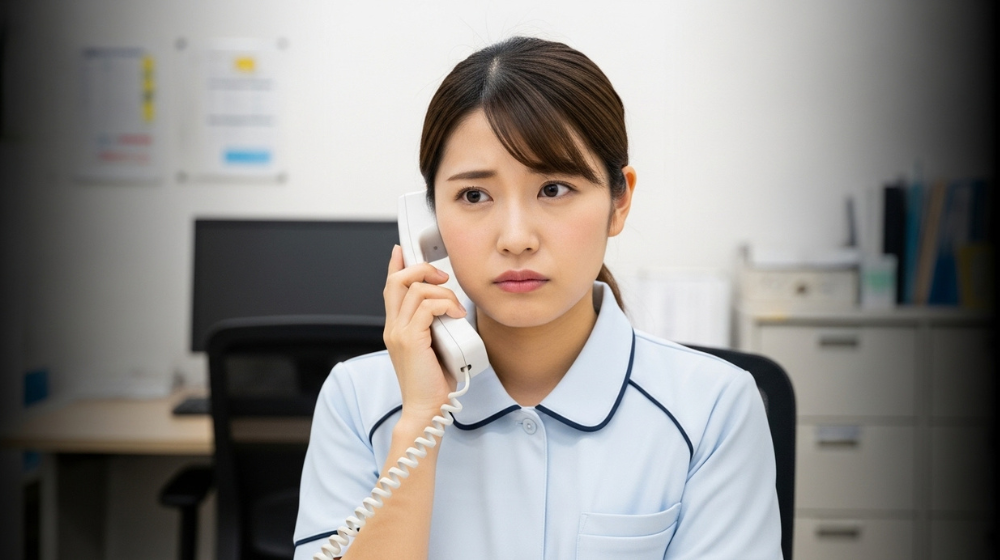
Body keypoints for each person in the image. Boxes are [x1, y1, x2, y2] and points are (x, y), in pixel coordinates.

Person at [294, 36, 781, 560]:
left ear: (619, 202)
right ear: (429, 223)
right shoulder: (358, 399)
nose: (516, 238)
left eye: (553, 189)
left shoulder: (714, 408)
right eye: (474, 195)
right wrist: (418, 422)